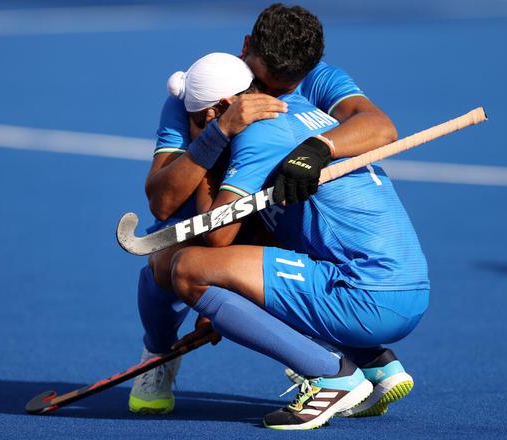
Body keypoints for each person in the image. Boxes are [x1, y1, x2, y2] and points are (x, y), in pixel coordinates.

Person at [129, 3, 398, 416]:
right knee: (165, 262)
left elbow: (381, 128)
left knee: (196, 269)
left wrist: (319, 146)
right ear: (245, 48)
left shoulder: (318, 80)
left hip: (278, 216)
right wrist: (216, 133)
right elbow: (162, 201)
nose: (268, 99)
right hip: (223, 203)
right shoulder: (204, 94)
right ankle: (158, 356)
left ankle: (353, 356)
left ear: (306, 73)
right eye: (261, 82)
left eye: (284, 89)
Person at [166, 53, 430, 430]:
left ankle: (331, 375)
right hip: (404, 290)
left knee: (189, 270)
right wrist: (229, 306)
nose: (196, 132)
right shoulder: (303, 110)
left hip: (366, 298)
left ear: (223, 108)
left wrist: (215, 142)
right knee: (260, 258)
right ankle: (374, 364)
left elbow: (217, 234)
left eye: (196, 121)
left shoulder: (258, 133)